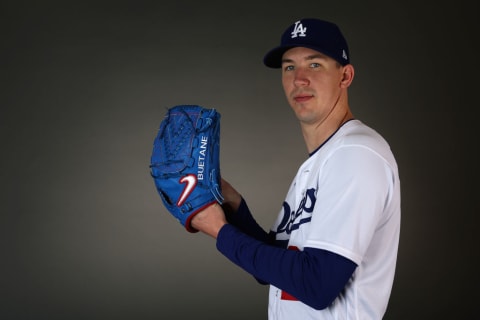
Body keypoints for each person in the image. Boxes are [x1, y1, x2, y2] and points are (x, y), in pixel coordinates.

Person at [191, 18, 401, 319]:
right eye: (289, 67)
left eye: (314, 65)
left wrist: (219, 231)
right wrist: (227, 200)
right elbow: (276, 267)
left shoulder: (356, 154)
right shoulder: (322, 161)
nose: (299, 79)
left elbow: (316, 284)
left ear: (345, 76)